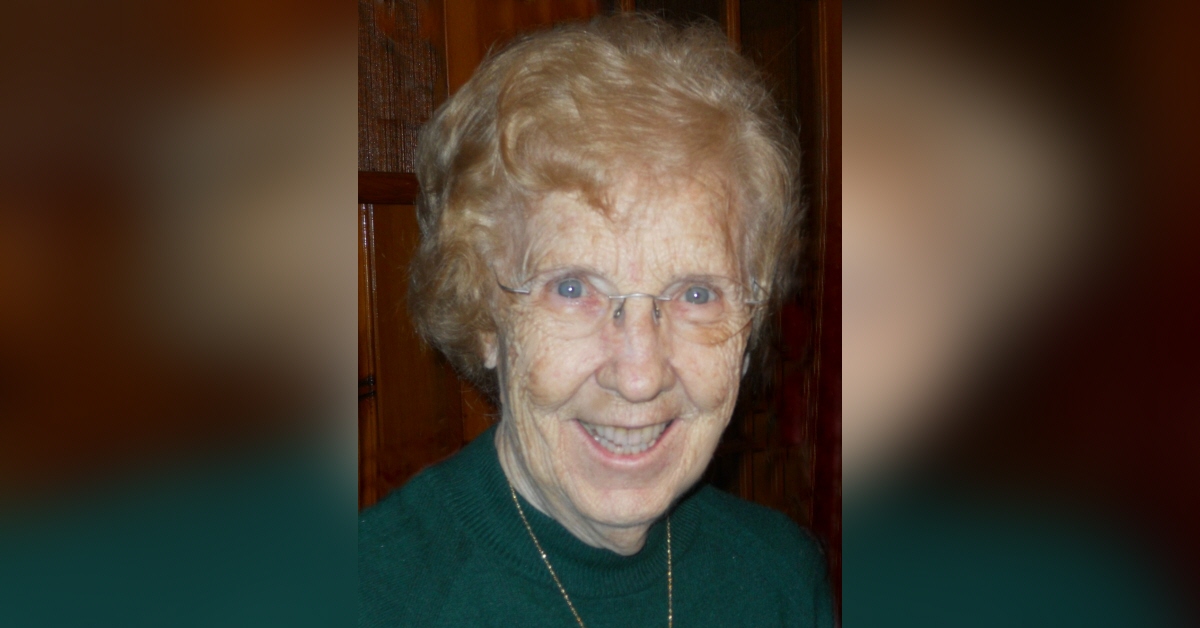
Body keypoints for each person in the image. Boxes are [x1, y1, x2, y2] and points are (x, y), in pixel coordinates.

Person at [359, 14, 833, 627]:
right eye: (573, 288)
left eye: (695, 294)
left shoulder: (781, 581)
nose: (639, 376)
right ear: (484, 317)